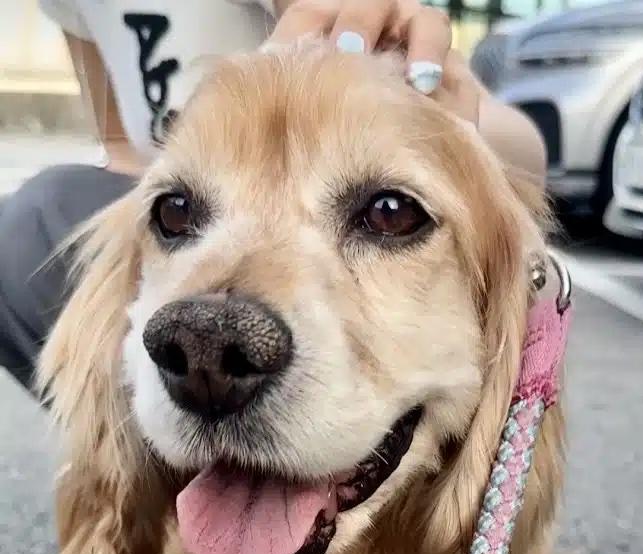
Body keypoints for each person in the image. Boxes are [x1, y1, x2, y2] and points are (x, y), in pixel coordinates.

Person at [0, 0, 546, 390]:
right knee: (32, 225)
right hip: (179, 266)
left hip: (347, 323)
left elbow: (527, 159)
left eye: (388, 215)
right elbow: (127, 159)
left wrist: (456, 117)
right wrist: (174, 224)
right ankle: (134, 486)